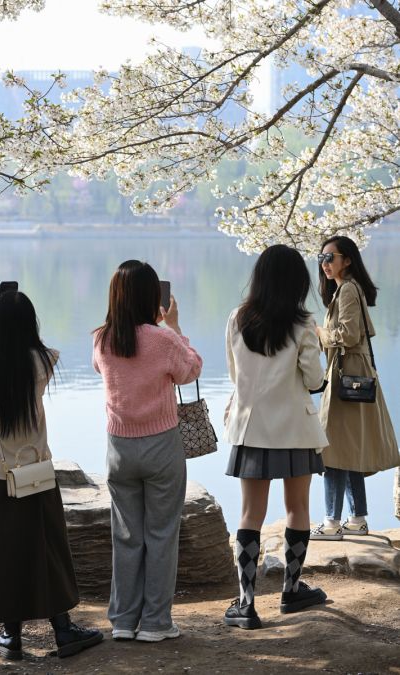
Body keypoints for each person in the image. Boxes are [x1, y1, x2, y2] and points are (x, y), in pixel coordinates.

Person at [0, 290, 103, 660]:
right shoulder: (43, 362)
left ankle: (10, 635)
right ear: (30, 325)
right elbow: (42, 348)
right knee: (44, 546)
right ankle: (63, 630)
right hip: (34, 472)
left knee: (0, 551)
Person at [92, 260, 202, 642]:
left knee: (126, 535)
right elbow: (192, 370)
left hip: (118, 447)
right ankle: (155, 622)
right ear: (154, 297)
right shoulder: (162, 339)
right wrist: (174, 327)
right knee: (161, 534)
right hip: (161, 445)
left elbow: (99, 370)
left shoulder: (102, 339)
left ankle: (123, 620)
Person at [223, 244, 328, 630]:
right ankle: (292, 591)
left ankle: (246, 604)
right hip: (295, 430)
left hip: (251, 429)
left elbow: (236, 377)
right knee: (297, 508)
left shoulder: (237, 318)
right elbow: (315, 380)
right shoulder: (303, 323)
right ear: (297, 282)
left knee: (251, 513)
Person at [310, 235, 399, 541]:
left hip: (347, 375)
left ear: (347, 260)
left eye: (330, 257)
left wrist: (319, 332)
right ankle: (357, 518)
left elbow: (347, 336)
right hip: (352, 374)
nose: (324, 264)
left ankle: (332, 522)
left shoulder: (347, 289)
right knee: (345, 449)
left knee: (332, 449)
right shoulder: (346, 289)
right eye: (321, 259)